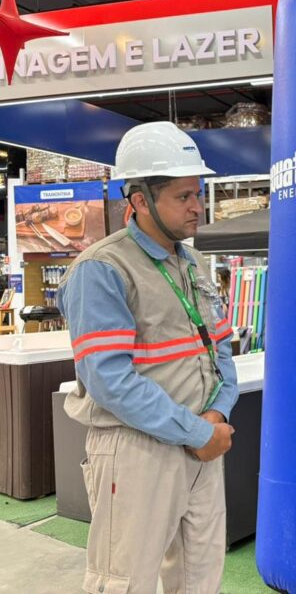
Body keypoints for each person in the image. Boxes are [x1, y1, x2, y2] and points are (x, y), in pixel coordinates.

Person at [59, 122, 239, 594]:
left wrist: (216, 415)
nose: (198, 206)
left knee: (200, 577)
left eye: (198, 193)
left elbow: (220, 349)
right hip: (136, 449)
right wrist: (199, 431)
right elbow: (109, 380)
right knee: (125, 582)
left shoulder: (193, 262)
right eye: (183, 197)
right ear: (139, 200)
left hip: (202, 443)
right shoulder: (103, 269)